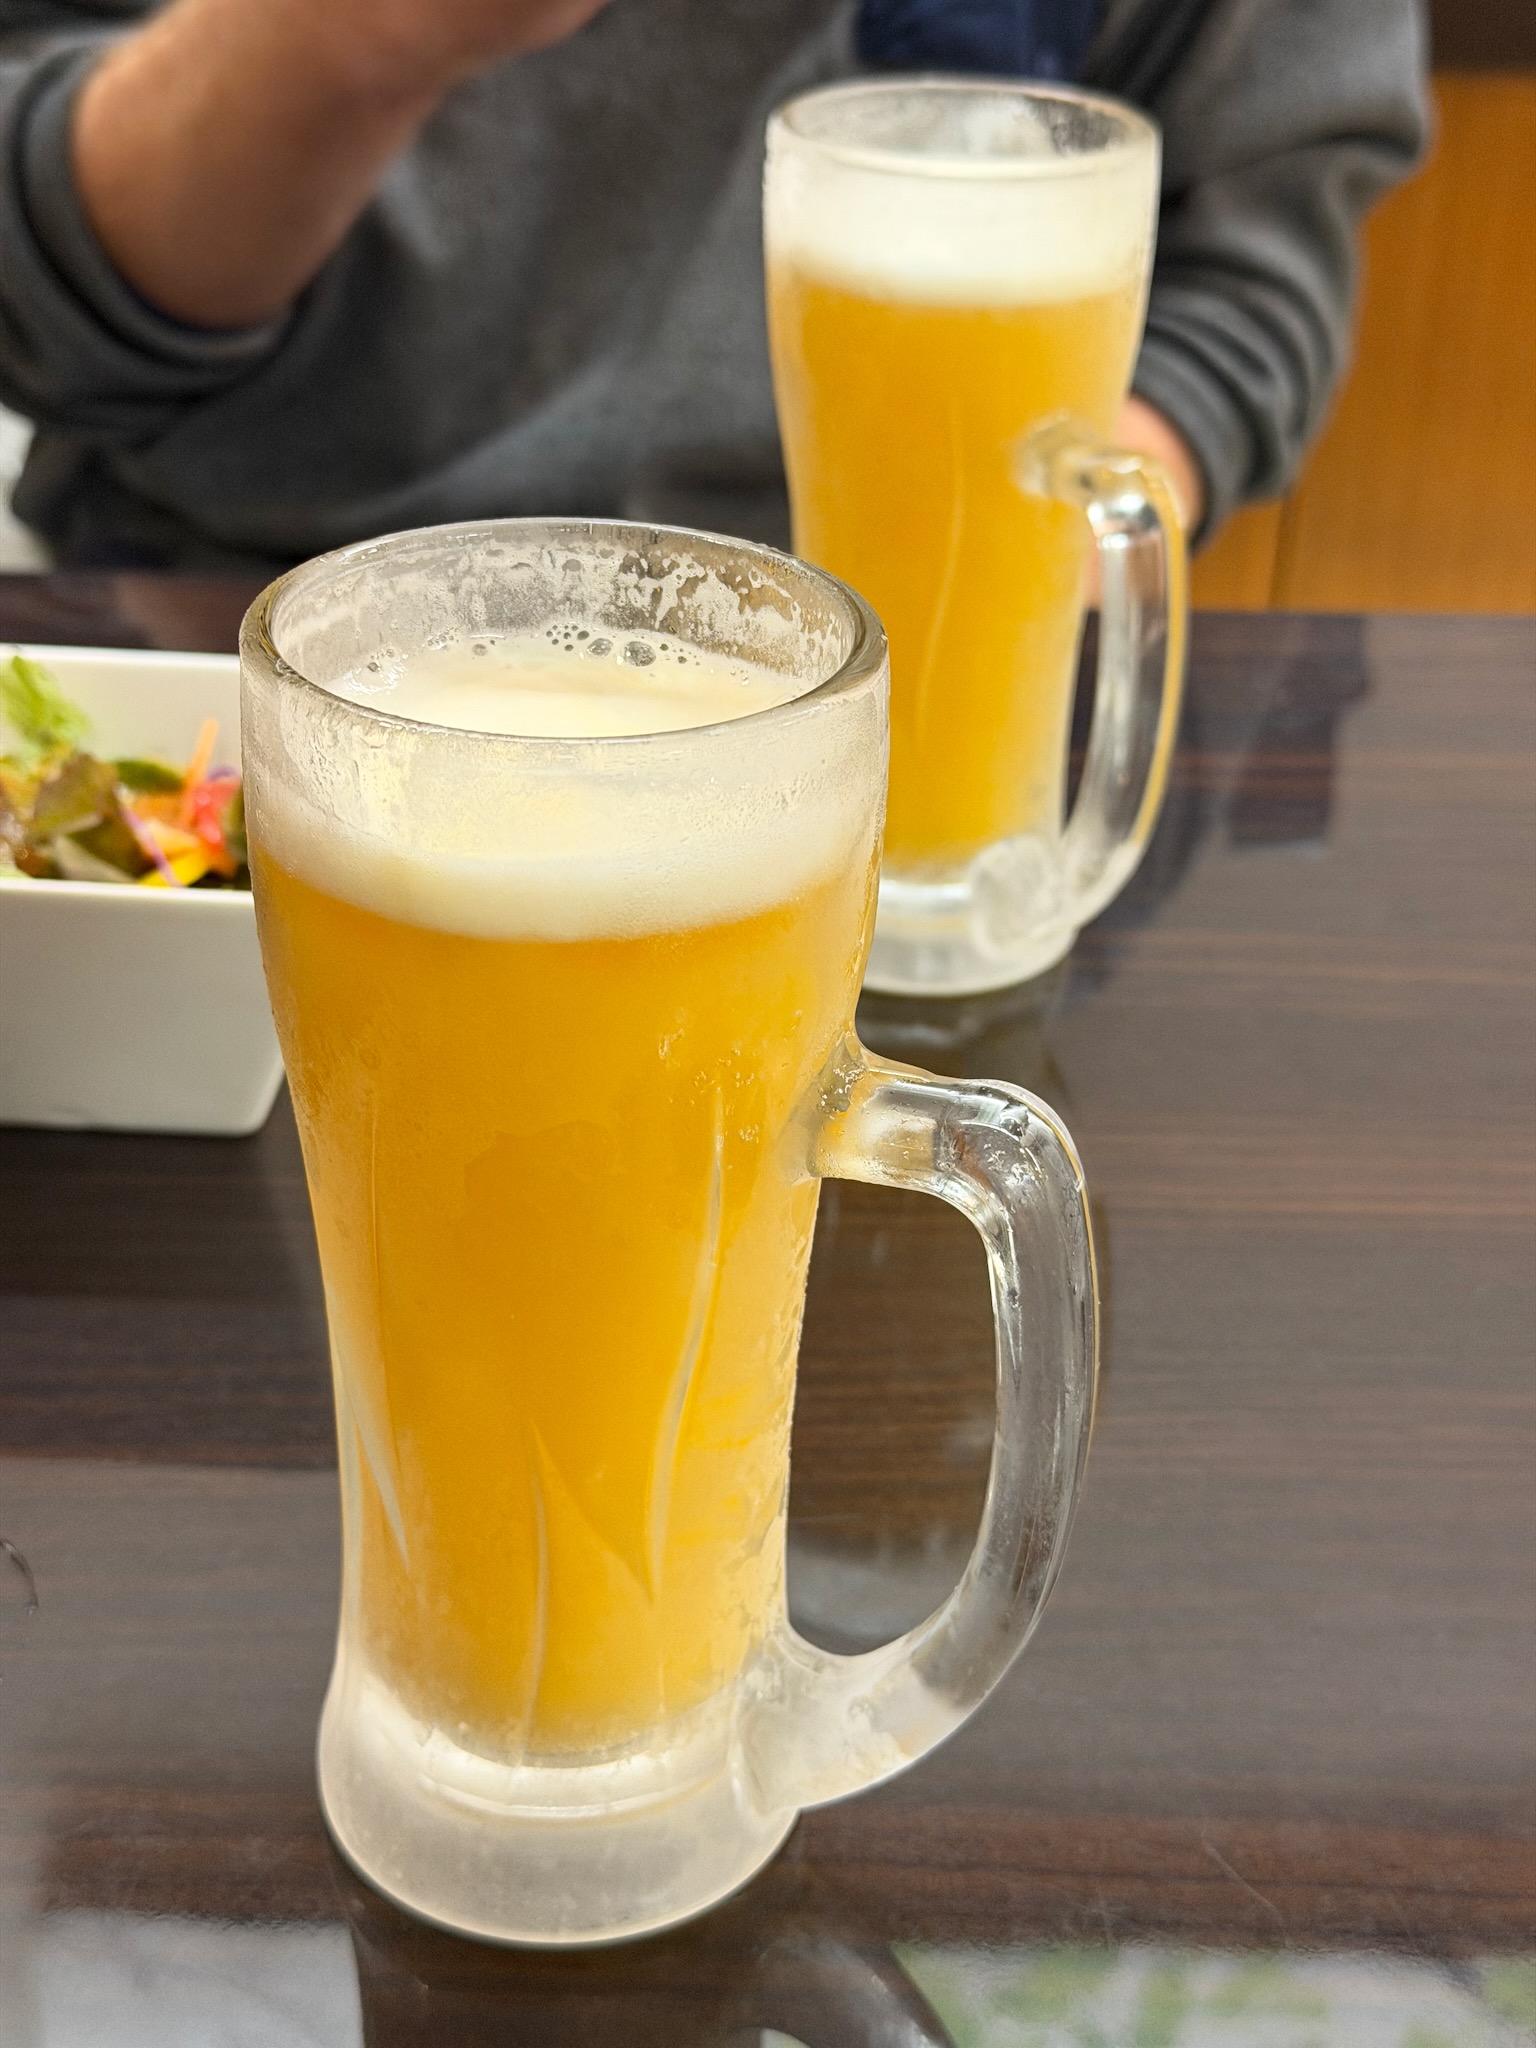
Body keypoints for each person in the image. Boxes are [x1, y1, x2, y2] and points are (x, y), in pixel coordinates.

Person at [0, 0, 1425, 571]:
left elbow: (1237, 295)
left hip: (880, 702)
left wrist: (985, 635)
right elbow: (35, 289)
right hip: (231, 625)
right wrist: (344, 39)